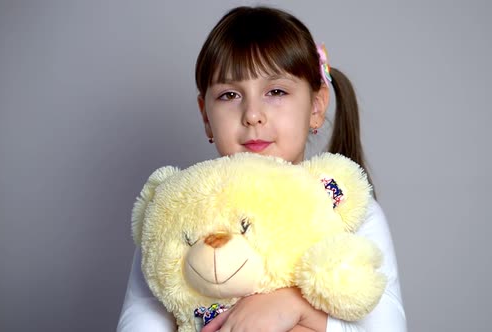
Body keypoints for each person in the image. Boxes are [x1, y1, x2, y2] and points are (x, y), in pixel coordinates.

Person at [117, 5, 407, 332]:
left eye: (276, 92)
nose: (252, 114)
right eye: (229, 95)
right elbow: (139, 321)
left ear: (315, 106)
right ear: (205, 116)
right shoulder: (179, 212)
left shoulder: (349, 212)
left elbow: (387, 326)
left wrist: (292, 306)